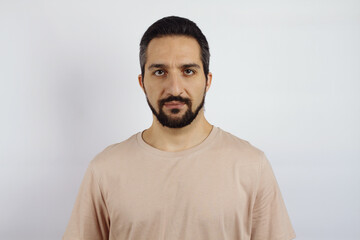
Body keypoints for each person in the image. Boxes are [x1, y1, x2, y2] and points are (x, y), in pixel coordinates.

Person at [63, 16, 296, 240]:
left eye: (188, 71)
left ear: (207, 80)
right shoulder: (104, 169)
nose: (174, 88)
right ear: (142, 82)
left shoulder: (252, 165)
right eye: (160, 72)